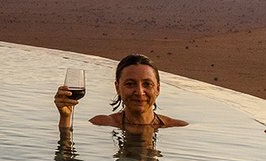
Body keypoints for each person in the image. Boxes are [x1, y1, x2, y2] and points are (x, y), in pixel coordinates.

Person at [55, 54, 187, 132]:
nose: (139, 92)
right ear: (118, 88)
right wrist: (65, 117)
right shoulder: (101, 123)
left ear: (158, 89)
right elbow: (67, 157)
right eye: (130, 84)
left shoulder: (177, 127)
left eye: (147, 84)